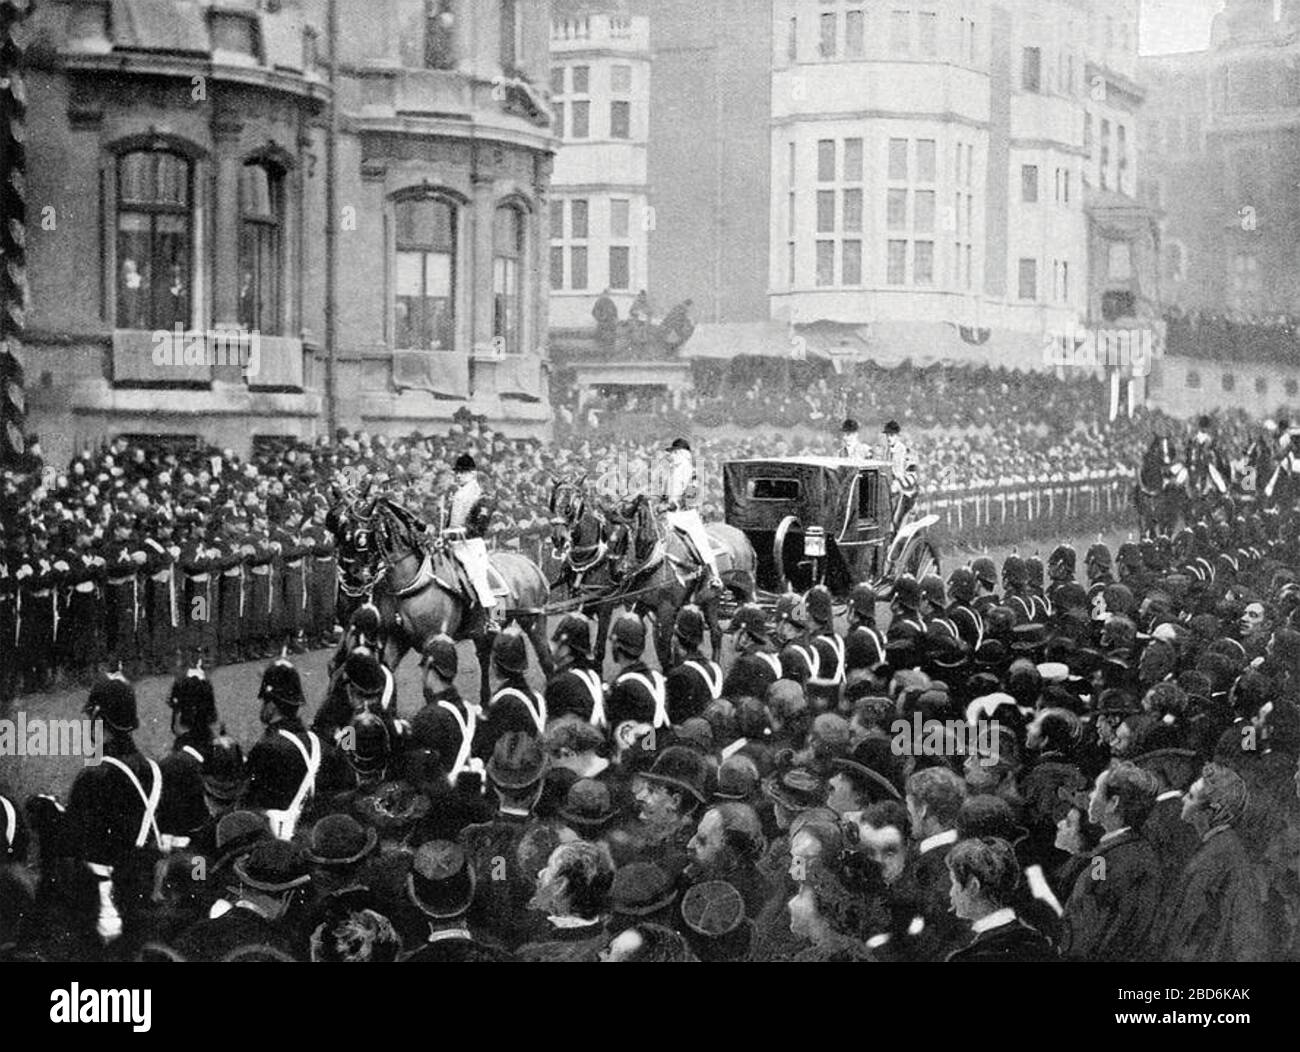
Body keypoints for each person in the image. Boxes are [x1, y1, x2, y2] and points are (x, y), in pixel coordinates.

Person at [657, 438, 722, 591]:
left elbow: (691, 496)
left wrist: (671, 505)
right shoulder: (670, 471)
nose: (670, 456)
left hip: (686, 515)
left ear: (680, 453)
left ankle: (714, 575)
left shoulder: (690, 471)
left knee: (700, 541)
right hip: (668, 515)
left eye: (672, 453)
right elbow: (664, 494)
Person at [443, 453, 498, 632]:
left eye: (463, 472)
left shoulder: (483, 497)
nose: (458, 475)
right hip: (450, 544)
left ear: (473, 474)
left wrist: (452, 533)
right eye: (457, 472)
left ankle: (494, 618)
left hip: (471, 546)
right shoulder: (455, 494)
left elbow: (478, 528)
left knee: (477, 577)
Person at [883, 420, 918, 534]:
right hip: (889, 490)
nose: (889, 438)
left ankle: (894, 530)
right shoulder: (886, 452)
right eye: (887, 435)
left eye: (892, 435)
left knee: (896, 513)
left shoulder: (905, 451)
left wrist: (899, 482)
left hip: (904, 492)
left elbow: (912, 476)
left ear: (898, 436)